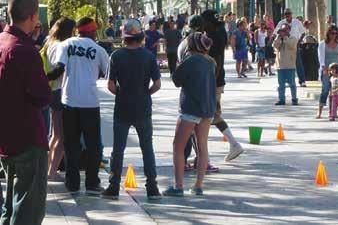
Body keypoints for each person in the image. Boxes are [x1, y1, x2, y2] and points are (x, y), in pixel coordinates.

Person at [0, 0, 51, 225]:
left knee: (9, 206)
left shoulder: (3, 41)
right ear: (32, 17)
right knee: (28, 209)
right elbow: (42, 96)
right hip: (27, 137)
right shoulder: (24, 50)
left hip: (6, 136)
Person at [102, 19, 162, 200]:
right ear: (141, 37)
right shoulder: (149, 56)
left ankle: (113, 187)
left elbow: (110, 85)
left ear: (124, 38)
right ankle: (152, 186)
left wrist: (121, 93)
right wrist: (146, 93)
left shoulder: (117, 56)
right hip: (143, 107)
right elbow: (157, 84)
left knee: (118, 149)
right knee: (147, 147)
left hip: (122, 107)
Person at [50, 17, 109, 195]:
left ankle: (72, 183)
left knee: (71, 144)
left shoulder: (65, 45)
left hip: (69, 101)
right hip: (90, 102)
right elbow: (104, 72)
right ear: (92, 31)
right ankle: (92, 183)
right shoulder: (98, 50)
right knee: (94, 146)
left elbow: (59, 69)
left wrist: (42, 77)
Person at [163, 32, 216, 197]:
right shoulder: (211, 62)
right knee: (202, 147)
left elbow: (176, 80)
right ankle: (198, 185)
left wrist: (178, 64)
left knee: (177, 146)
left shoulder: (190, 60)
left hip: (190, 109)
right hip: (207, 110)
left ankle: (178, 186)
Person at [201, 10, 244, 162]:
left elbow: (217, 60)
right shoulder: (217, 32)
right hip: (215, 80)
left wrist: (211, 82)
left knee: (203, 117)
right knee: (212, 115)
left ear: (209, 23)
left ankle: (202, 154)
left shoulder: (215, 36)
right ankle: (232, 144)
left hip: (213, 81)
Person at [42, 17, 76, 181]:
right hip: (60, 91)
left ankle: (48, 168)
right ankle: (52, 172)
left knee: (55, 135)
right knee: (62, 136)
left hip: (53, 91)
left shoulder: (49, 42)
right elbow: (59, 69)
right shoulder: (60, 46)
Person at [316, 25, 338, 119]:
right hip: (326, 70)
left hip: (336, 72)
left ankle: (332, 112)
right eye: (332, 33)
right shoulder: (322, 44)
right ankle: (319, 111)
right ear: (328, 33)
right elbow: (321, 58)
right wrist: (324, 68)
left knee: (335, 91)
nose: (334, 35)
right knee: (325, 90)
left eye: (336, 33)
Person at [275, 8, 306, 87]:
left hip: (294, 44)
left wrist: (299, 42)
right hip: (284, 45)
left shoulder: (297, 22)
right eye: (286, 14)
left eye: (289, 13)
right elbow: (276, 32)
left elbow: (303, 32)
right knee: (285, 63)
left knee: (298, 63)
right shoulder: (281, 22)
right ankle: (287, 80)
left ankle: (302, 80)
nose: (287, 15)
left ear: (291, 14)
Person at [273, 23, 298, 105]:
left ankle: (294, 99)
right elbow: (275, 45)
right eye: (282, 30)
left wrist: (285, 38)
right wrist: (278, 37)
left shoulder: (293, 38)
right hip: (280, 65)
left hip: (290, 65)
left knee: (292, 84)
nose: (283, 32)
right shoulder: (279, 39)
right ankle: (281, 99)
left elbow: (291, 45)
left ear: (289, 30)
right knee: (281, 85)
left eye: (285, 30)